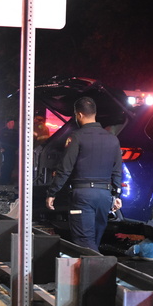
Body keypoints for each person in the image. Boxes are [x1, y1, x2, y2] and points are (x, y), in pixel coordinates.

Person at [45, 97, 122, 251]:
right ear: (94, 113)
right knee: (94, 240)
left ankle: (98, 273)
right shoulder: (113, 139)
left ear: (79, 115)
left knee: (85, 243)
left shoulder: (77, 137)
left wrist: (52, 192)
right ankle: (98, 271)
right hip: (104, 197)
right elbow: (117, 170)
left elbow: (65, 168)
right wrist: (117, 195)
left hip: (83, 196)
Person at [0, 118, 18, 185]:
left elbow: (18, 141)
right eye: (11, 122)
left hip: (13, 151)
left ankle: (8, 180)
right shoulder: (2, 131)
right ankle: (3, 180)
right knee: (6, 165)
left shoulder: (15, 131)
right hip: (5, 151)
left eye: (13, 123)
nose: (13, 124)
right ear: (7, 123)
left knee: (11, 165)